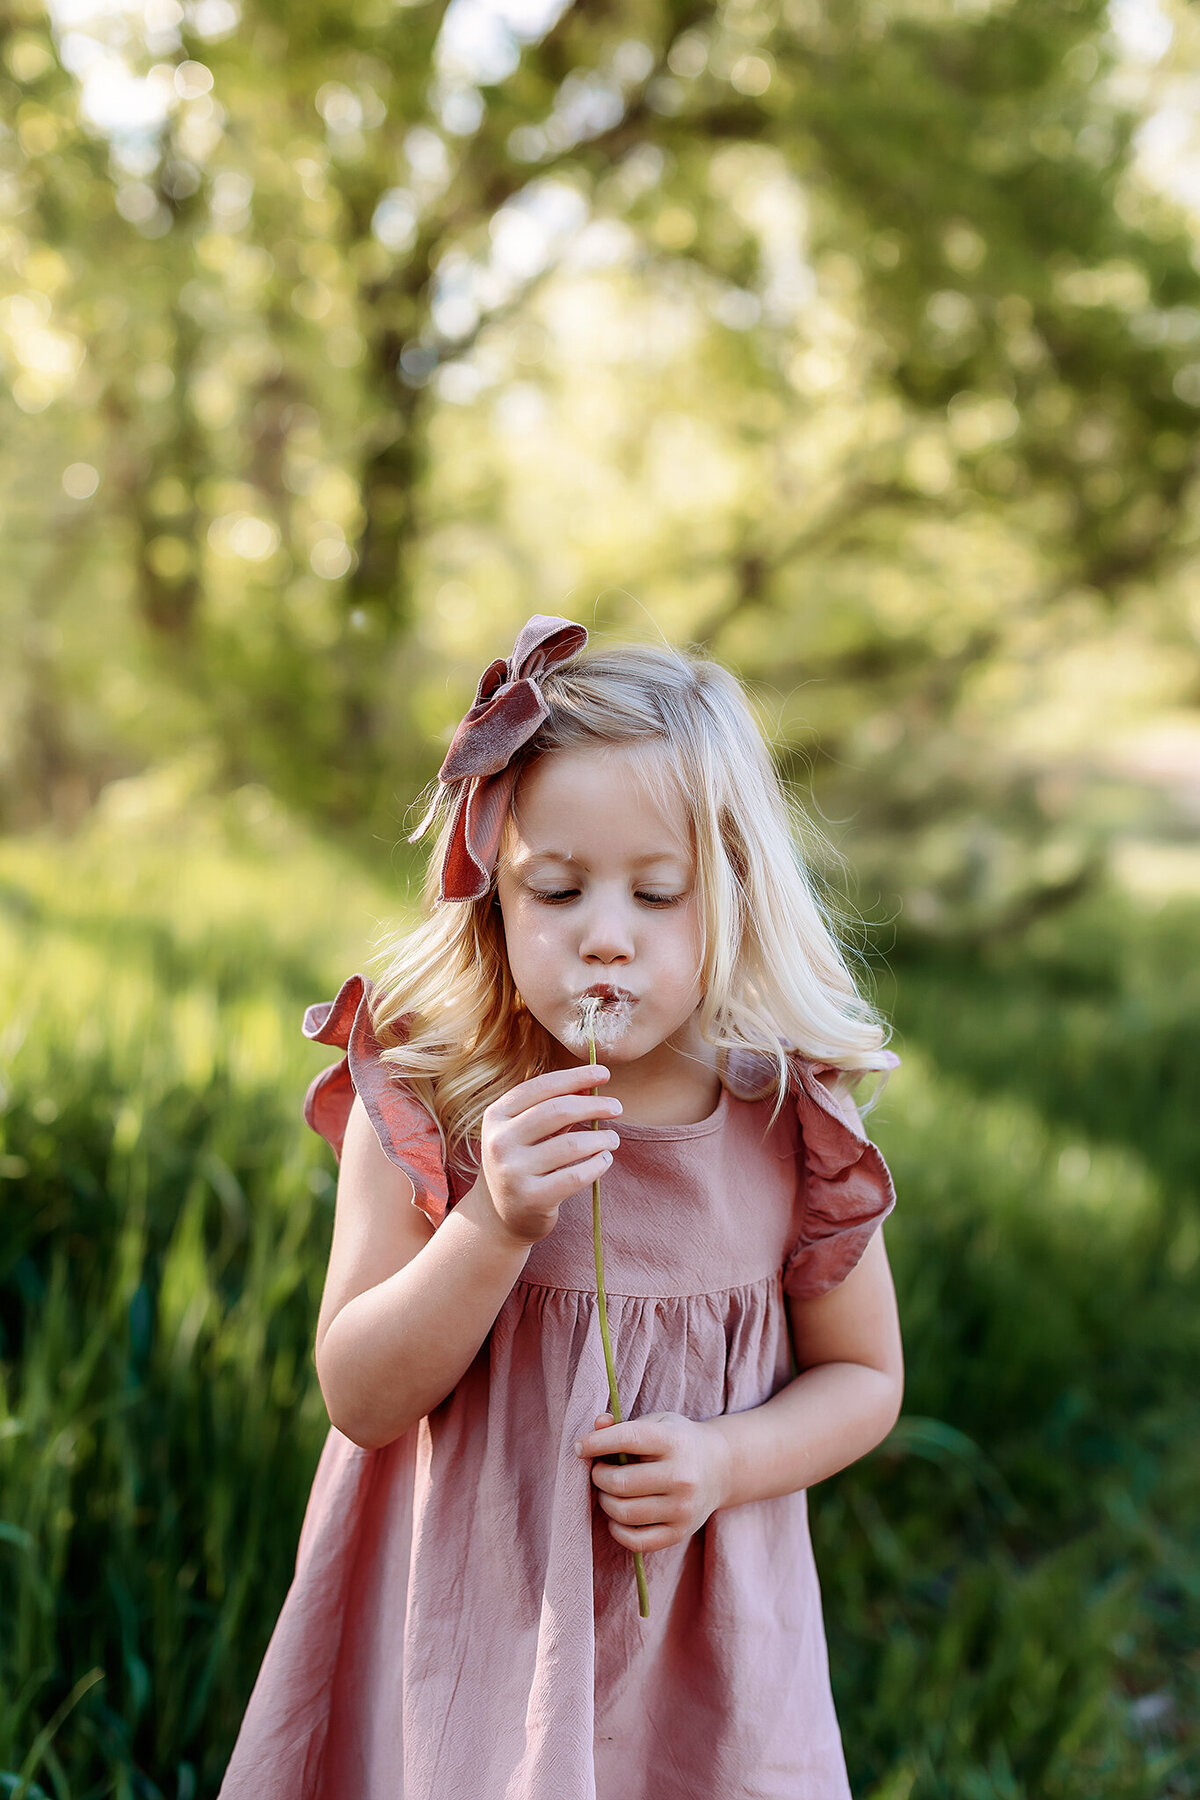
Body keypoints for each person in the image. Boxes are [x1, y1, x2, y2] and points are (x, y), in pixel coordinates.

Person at [219, 614, 904, 1800]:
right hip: (472, 1637)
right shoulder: (433, 1104)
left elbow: (866, 1379)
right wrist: (492, 1225)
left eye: (655, 894)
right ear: (493, 897)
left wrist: (726, 1459)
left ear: (731, 896)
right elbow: (361, 1397)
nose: (604, 938)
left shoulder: (791, 1125)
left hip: (696, 1664)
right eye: (559, 889)